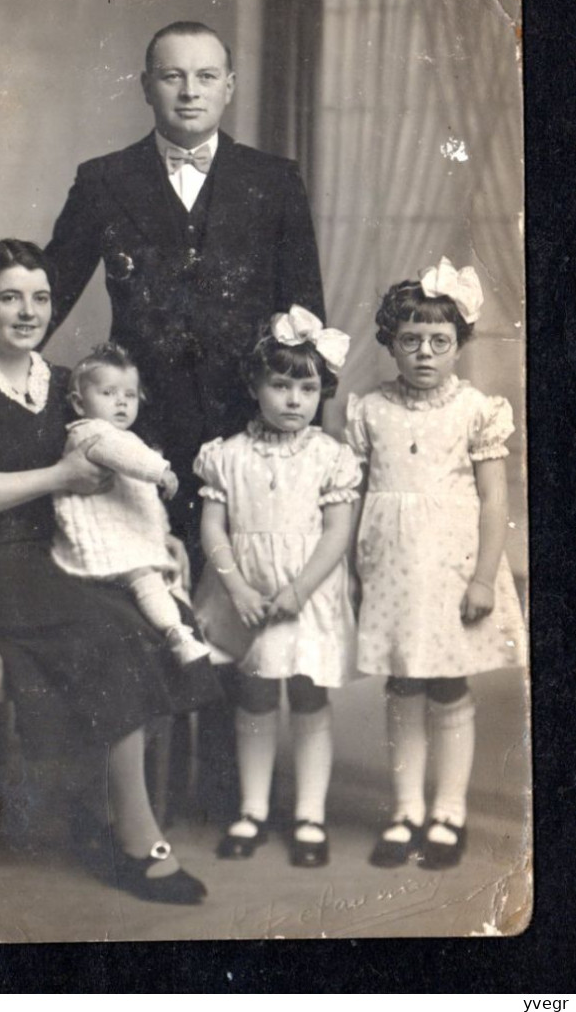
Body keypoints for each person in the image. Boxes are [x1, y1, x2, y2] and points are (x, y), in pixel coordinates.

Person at [0, 239, 221, 905]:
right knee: (109, 633)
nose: (27, 311)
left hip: (50, 560)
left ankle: (88, 811)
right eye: (9, 296)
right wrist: (59, 474)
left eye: (40, 297)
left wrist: (152, 547)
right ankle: (137, 839)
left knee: (151, 617)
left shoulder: (68, 381)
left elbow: (115, 476)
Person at [44, 21, 324, 567]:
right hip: (142, 414)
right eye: (172, 76)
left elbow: (306, 310)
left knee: (252, 570)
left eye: (205, 76)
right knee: (151, 565)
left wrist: (303, 427)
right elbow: (51, 291)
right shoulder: (104, 179)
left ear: (229, 86)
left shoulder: (274, 179)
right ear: (146, 86)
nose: (190, 91)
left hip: (249, 412)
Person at [345, 257, 528, 870]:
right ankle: (405, 810)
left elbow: (495, 500)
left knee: (449, 682)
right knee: (402, 681)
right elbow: (352, 496)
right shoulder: (368, 411)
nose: (424, 353)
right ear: (391, 346)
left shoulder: (476, 409)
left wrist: (482, 578)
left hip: (453, 570)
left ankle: (448, 810)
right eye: (411, 341)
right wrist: (351, 573)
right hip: (392, 568)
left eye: (439, 342)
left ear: (459, 345)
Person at [192, 305, 362, 867]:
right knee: (256, 693)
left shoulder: (330, 457)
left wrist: (299, 591)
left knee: (310, 694)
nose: (294, 400)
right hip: (246, 596)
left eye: (307, 388)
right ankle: (253, 809)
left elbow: (338, 532)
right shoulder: (226, 457)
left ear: (322, 393)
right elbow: (213, 526)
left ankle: (309, 814)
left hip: (305, 597)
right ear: (255, 385)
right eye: (281, 385)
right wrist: (236, 586)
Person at [51, 341, 210, 667]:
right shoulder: (88, 433)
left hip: (128, 534)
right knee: (146, 578)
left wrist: (162, 536)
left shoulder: (129, 438)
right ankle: (175, 633)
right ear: (80, 404)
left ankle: (184, 623)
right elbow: (123, 456)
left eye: (130, 395)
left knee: (170, 581)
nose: (121, 403)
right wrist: (160, 470)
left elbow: (145, 503)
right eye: (108, 394)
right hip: (100, 541)